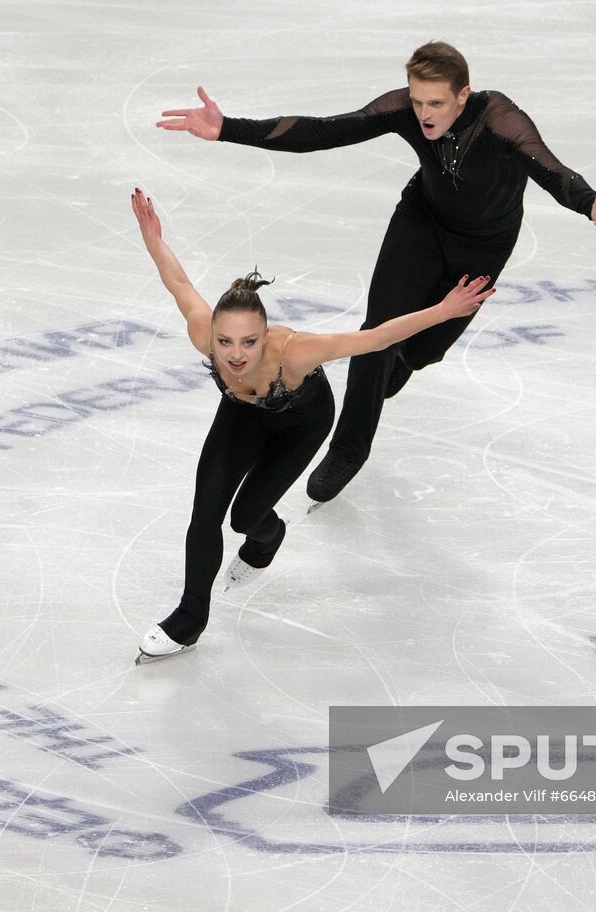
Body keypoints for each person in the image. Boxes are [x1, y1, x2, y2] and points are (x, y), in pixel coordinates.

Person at [157, 41, 596, 503]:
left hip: (484, 245)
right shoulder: (405, 110)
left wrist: (589, 202)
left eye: (436, 103)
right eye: (417, 101)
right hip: (421, 223)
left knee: (422, 349)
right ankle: (348, 449)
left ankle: (400, 361)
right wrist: (228, 128)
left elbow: (549, 168)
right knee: (377, 332)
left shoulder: (501, 121)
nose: (424, 113)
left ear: (463, 95)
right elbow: (323, 131)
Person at [129, 188, 495, 663]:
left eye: (249, 342)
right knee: (205, 515)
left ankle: (268, 537)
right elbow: (178, 283)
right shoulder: (204, 333)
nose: (235, 354)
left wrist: (443, 311)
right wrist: (153, 239)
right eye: (225, 342)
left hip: (302, 423)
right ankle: (189, 618)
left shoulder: (296, 351)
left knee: (245, 519)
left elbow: (375, 338)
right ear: (212, 335)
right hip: (241, 414)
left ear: (265, 335)